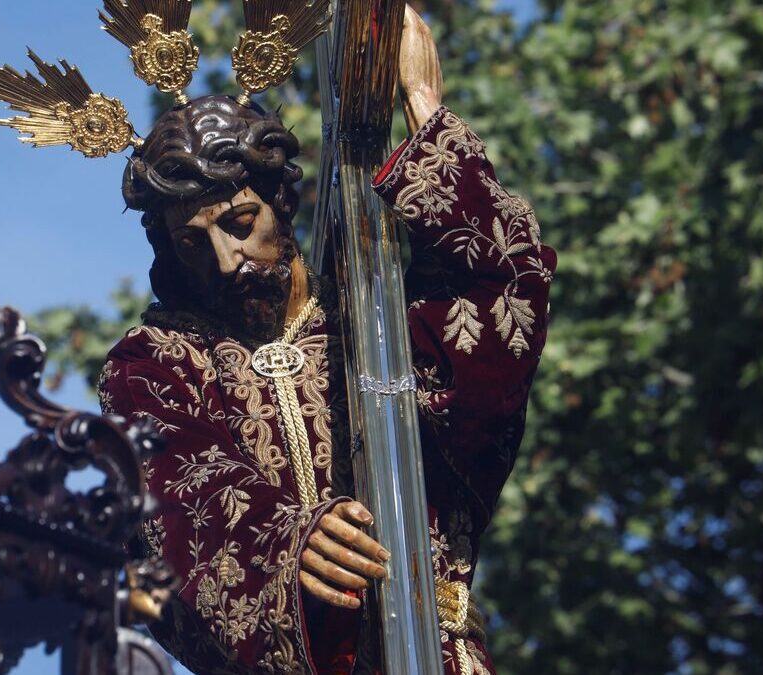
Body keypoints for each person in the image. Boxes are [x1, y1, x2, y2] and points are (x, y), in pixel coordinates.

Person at [98, 8, 556, 674]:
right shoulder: (156, 363)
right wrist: (287, 541)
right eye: (195, 242)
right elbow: (173, 494)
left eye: (240, 221)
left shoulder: (377, 318)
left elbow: (507, 290)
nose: (228, 260)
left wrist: (427, 114)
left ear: (282, 200)